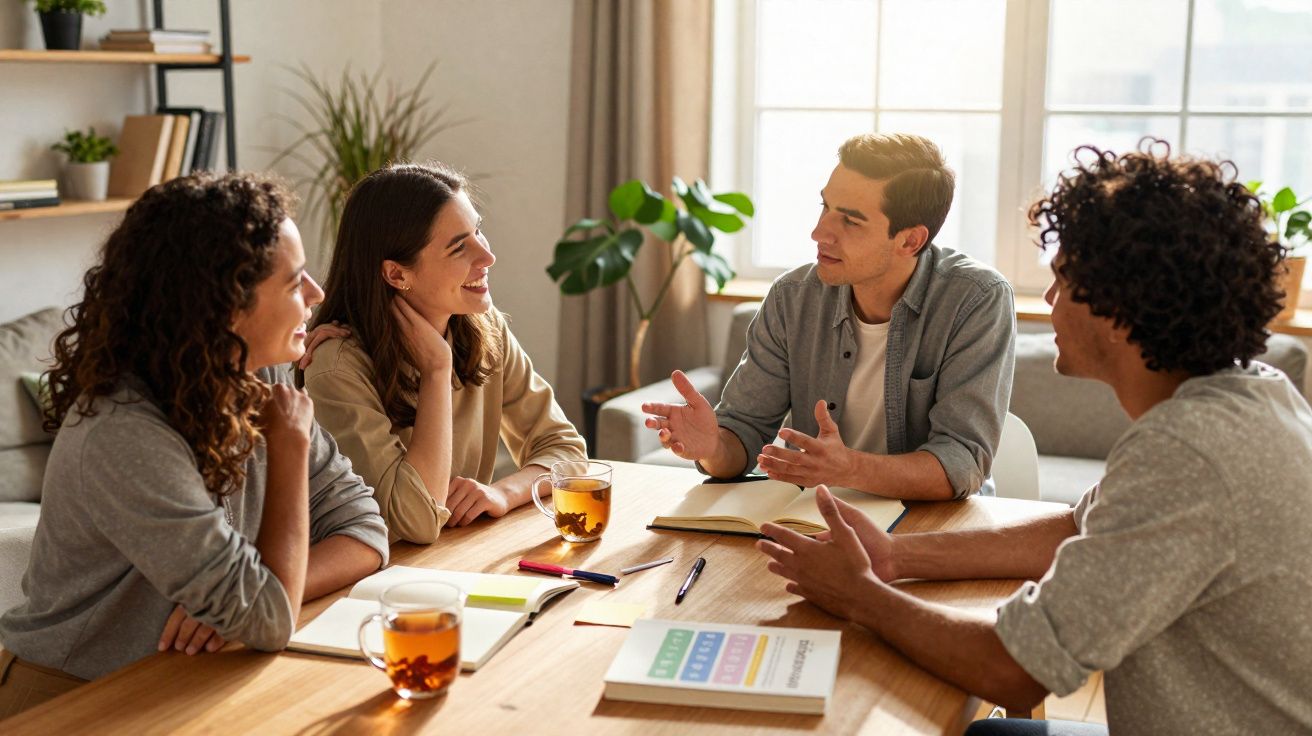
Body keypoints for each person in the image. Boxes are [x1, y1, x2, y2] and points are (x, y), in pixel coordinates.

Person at [757, 141, 1312, 735]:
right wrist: (895, 557)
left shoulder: (1188, 453)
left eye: (1064, 281)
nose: (1048, 301)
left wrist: (861, 595)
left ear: (1123, 307)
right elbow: (1078, 529)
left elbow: (1014, 668)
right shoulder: (1251, 393)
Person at [0, 173, 388, 717]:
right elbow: (268, 619)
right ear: (226, 305)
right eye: (295, 280)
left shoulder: (261, 380)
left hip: (191, 677)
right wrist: (291, 444)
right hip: (74, 698)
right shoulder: (124, 433)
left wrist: (251, 596)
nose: (317, 295)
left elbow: (365, 529)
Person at [644, 133, 1015, 500]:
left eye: (851, 221)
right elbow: (743, 432)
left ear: (910, 241)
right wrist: (712, 448)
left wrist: (848, 469)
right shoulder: (793, 297)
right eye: (825, 208)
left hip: (931, 525)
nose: (818, 233)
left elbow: (961, 462)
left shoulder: (977, 300)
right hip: (810, 518)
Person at [300, 162, 586, 544]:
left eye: (478, 232)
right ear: (397, 275)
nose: (487, 257)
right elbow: (414, 522)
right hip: (377, 582)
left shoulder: (483, 329)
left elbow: (566, 450)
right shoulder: (337, 368)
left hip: (456, 558)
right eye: (458, 247)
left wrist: (504, 492)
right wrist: (436, 369)